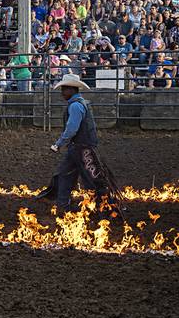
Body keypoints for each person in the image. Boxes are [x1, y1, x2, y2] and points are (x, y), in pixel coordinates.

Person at [40, 74, 123, 214]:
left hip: (82, 148)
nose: (62, 93)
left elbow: (72, 129)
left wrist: (59, 143)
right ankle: (64, 206)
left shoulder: (75, 106)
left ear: (72, 90)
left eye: (64, 89)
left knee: (92, 179)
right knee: (66, 175)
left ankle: (106, 208)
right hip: (79, 148)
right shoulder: (80, 104)